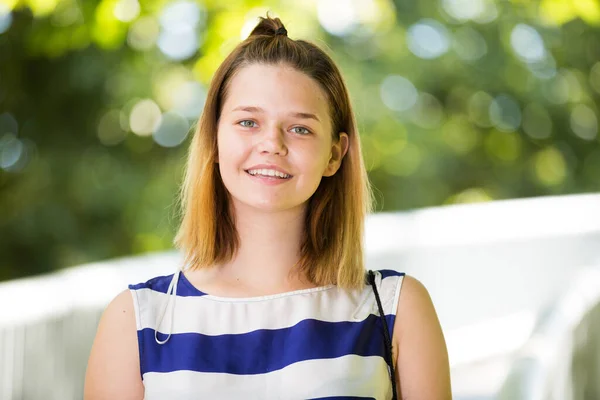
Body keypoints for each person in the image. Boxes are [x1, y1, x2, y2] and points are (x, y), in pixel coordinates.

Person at [84, 15, 451, 400]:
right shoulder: (137, 321)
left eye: (299, 128)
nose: (272, 144)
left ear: (334, 154)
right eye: (248, 122)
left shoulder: (395, 309)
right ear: (214, 140)